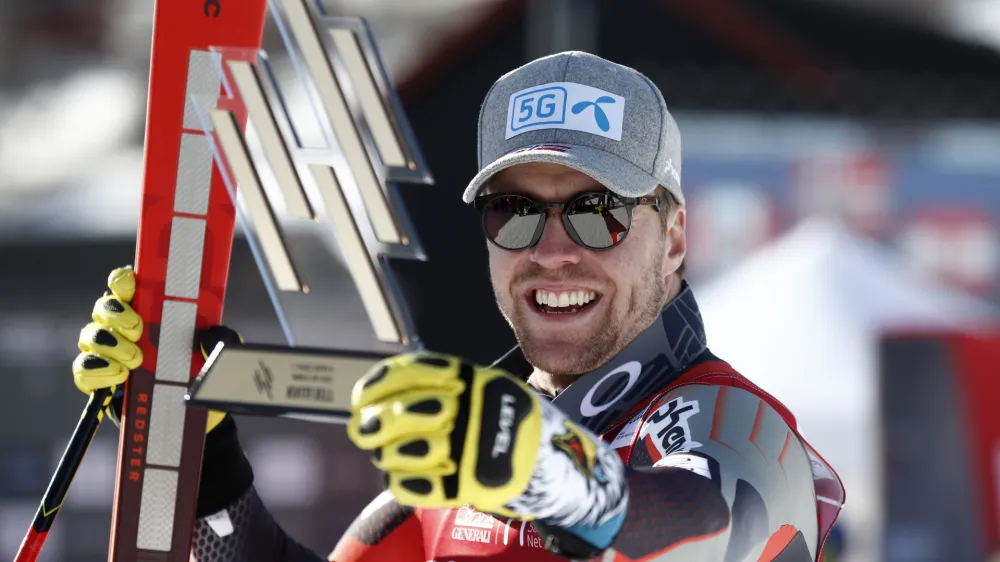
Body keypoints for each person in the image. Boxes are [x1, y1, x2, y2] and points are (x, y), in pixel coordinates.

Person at [72, 51, 844, 561]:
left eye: (597, 210)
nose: (551, 250)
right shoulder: (462, 457)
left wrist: (534, 463)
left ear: (674, 236)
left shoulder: (734, 426)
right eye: (514, 210)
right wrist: (202, 459)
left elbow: (704, 526)